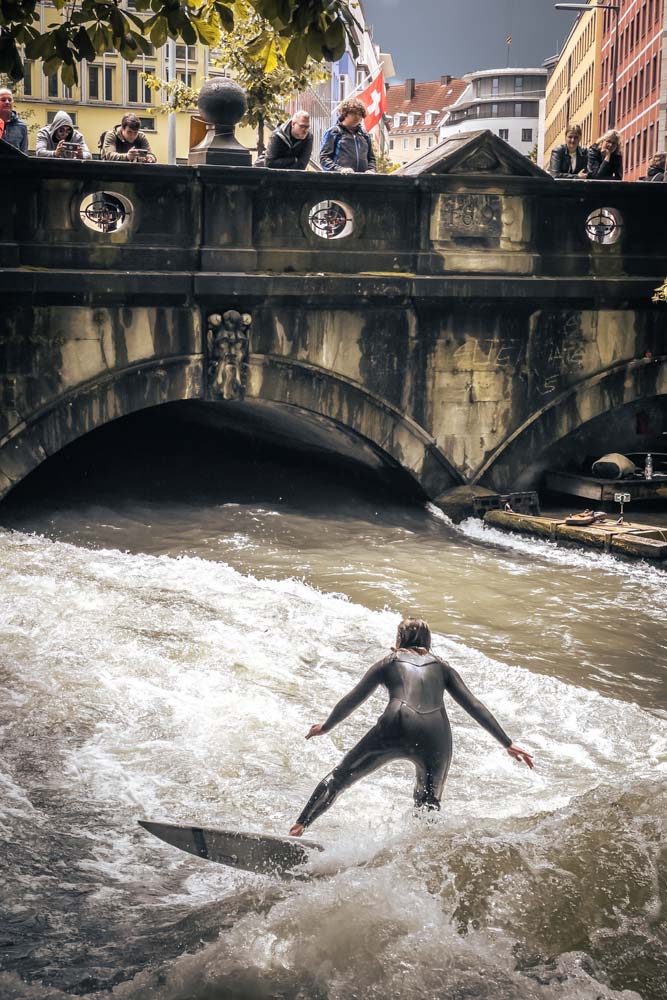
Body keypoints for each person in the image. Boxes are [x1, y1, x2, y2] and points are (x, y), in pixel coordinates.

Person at [289, 618, 533, 836]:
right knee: (428, 803)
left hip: (396, 725)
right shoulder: (442, 667)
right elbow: (473, 705)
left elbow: (354, 698)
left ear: (399, 639)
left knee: (339, 778)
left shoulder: (389, 662)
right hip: (436, 736)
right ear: (428, 641)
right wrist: (507, 743)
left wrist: (326, 727)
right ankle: (417, 854)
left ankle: (298, 827)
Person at [320, 98, 377, 174]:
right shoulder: (334, 132)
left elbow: (371, 158)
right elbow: (324, 158)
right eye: (354, 113)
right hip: (339, 180)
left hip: (363, 181)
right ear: (345, 114)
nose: (357, 117)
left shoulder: (365, 135)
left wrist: (371, 170)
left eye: (360, 114)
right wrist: (339, 170)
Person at [0, 88, 28, 154]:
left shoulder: (21, 126)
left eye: (9, 100)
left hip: (13, 163)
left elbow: (23, 152)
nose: (7, 102)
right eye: (3, 100)